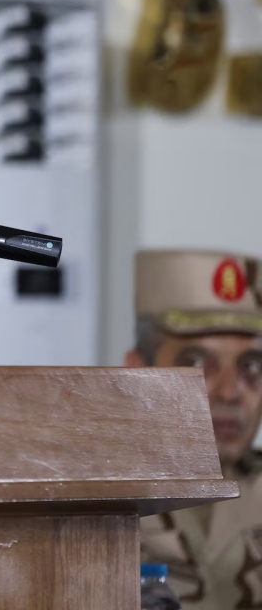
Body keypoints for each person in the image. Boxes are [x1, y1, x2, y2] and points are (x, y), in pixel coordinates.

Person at [128, 250, 262, 609]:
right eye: (198, 362)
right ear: (140, 372)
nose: (230, 391)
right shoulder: (91, 504)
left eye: (250, 365)